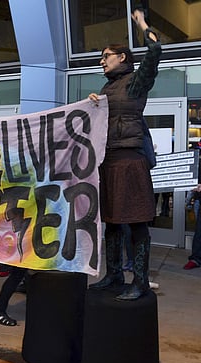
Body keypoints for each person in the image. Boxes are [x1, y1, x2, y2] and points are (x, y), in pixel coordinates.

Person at [87, 9, 161, 301]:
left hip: (130, 160)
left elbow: (154, 50)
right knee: (113, 222)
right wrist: (94, 105)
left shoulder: (136, 81)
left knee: (137, 223)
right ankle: (114, 274)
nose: (102, 61)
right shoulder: (107, 88)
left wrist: (142, 24)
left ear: (122, 58)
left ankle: (140, 281)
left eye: (107, 55)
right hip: (110, 161)